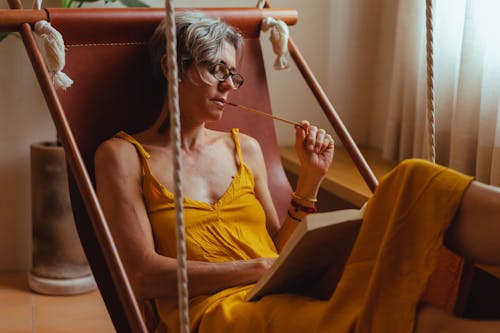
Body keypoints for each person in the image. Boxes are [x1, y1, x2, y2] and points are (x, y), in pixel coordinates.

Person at [94, 11, 500, 333]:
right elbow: (143, 275)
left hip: (281, 288)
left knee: (410, 180)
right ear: (172, 68)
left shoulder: (244, 149)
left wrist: (310, 180)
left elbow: (277, 248)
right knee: (392, 317)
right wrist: (256, 269)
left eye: (233, 75)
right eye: (218, 71)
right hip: (220, 313)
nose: (230, 86)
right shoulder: (123, 155)